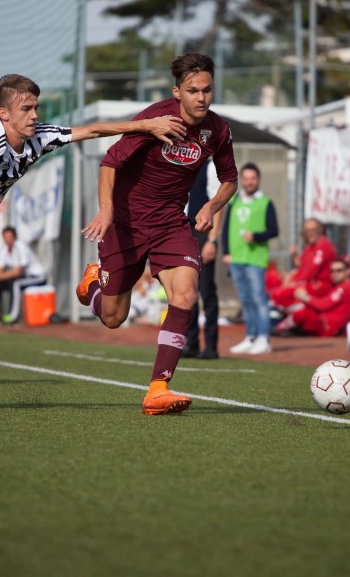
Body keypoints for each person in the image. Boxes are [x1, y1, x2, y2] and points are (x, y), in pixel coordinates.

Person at [0, 73, 185, 409]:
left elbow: (93, 131)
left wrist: (146, 125)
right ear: (4, 114)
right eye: (26, 108)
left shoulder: (40, 137)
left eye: (36, 106)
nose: (35, 114)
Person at [75, 52, 238, 415]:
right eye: (193, 90)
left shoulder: (218, 130)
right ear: (177, 91)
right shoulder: (154, 119)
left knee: (186, 293)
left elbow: (231, 179)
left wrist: (211, 206)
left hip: (169, 224)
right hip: (125, 225)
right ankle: (94, 285)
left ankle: (157, 389)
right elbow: (110, 161)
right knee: (114, 318)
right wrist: (106, 210)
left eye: (207, 90)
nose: (201, 98)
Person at [222, 162, 279, 355]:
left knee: (258, 299)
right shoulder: (234, 200)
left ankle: (264, 337)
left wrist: (255, 236)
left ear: (258, 180)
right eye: (245, 178)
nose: (249, 182)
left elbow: (274, 230)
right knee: (245, 300)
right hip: (236, 258)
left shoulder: (265, 202)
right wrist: (226, 252)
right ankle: (251, 336)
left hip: (255, 259)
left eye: (252, 178)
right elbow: (226, 228)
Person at [180, 159, 223, 360]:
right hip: (183, 230)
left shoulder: (210, 166)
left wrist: (212, 240)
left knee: (206, 290)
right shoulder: (180, 166)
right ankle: (192, 343)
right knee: (187, 288)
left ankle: (211, 347)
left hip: (202, 231)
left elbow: (218, 204)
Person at [274, 255, 350, 337]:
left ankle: (279, 328)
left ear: (348, 271)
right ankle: (287, 324)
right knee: (292, 300)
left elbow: (323, 305)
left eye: (339, 270)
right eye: (332, 271)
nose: (335, 274)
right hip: (323, 322)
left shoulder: (345, 286)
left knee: (302, 311)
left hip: (327, 327)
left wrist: (305, 297)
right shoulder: (337, 285)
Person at [270, 218, 337, 311]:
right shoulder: (310, 246)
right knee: (272, 282)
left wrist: (292, 281)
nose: (310, 233)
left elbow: (310, 271)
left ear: (320, 230)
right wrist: (291, 270)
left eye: (313, 230)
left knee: (279, 294)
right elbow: (303, 265)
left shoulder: (323, 246)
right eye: (307, 231)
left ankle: (293, 312)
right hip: (308, 282)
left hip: (319, 285)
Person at [0, 226, 48, 324]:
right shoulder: (4, 250)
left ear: (14, 237)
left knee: (16, 284)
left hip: (38, 277)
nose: (8, 239)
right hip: (25, 277)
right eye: (6, 237)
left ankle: (13, 317)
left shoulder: (20, 247)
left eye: (10, 237)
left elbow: (17, 272)